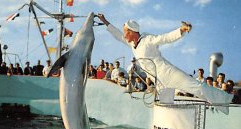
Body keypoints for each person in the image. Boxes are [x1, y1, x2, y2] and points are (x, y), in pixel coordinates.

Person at [98, 14, 233, 114]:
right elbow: (117, 35)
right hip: (158, 81)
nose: (124, 35)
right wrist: (104, 21)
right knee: (166, 107)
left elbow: (165, 38)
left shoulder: (147, 39)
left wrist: (181, 30)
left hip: (168, 73)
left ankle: (226, 100)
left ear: (132, 32)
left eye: (125, 31)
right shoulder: (132, 44)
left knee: (196, 87)